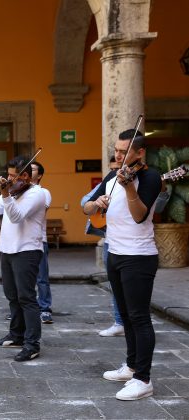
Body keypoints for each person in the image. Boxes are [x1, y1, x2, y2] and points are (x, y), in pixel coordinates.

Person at [84, 129, 161, 401]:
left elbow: (140, 216)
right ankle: (131, 367)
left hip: (138, 256)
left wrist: (129, 186)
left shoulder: (150, 178)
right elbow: (86, 207)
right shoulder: (113, 175)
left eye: (124, 151)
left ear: (140, 152)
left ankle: (143, 379)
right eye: (116, 150)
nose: (117, 155)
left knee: (139, 316)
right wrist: (95, 204)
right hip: (114, 251)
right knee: (126, 315)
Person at [0, 156, 45, 362]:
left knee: (26, 297)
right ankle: (16, 335)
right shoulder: (12, 191)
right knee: (12, 295)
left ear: (25, 176)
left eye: (12, 176)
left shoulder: (37, 194)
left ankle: (32, 344)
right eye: (7, 174)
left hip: (27, 250)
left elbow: (17, 216)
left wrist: (4, 193)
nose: (8, 179)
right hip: (8, 250)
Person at [81, 157, 125, 337]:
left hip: (131, 243)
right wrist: (98, 202)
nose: (116, 171)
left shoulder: (142, 180)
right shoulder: (110, 180)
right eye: (113, 168)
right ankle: (119, 322)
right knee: (115, 284)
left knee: (131, 287)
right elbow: (84, 202)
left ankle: (134, 324)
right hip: (110, 240)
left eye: (118, 168)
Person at [30, 162, 53, 324]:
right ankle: (26, 309)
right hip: (22, 242)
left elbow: (36, 214)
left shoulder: (44, 192)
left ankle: (45, 308)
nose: (29, 172)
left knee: (42, 278)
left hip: (39, 240)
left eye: (32, 170)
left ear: (39, 175)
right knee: (24, 280)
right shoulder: (18, 192)